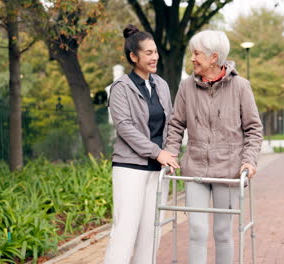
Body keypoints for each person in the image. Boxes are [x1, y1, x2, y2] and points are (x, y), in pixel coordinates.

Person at [162, 30, 263, 264]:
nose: (193, 59)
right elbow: (176, 124)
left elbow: (253, 129)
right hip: (195, 167)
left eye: (197, 54)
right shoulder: (187, 86)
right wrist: (171, 153)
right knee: (197, 231)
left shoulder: (240, 87)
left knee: (222, 232)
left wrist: (249, 160)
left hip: (228, 170)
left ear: (214, 58)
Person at [103, 24, 179, 264]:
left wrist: (169, 153)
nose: (154, 56)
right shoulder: (120, 88)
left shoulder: (162, 85)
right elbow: (125, 128)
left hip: (158, 170)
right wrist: (158, 152)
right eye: (148, 53)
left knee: (151, 234)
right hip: (130, 168)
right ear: (133, 57)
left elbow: (171, 122)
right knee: (125, 232)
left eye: (155, 51)